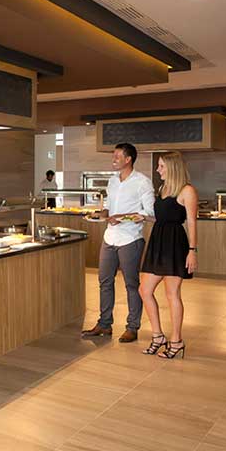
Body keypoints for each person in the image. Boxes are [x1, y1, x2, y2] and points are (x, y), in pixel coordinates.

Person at [81, 143, 155, 343]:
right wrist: (102, 214)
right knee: (104, 282)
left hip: (130, 239)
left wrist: (121, 217)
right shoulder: (112, 181)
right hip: (110, 237)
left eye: (117, 156)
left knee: (131, 284)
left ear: (128, 159)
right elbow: (110, 209)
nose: (113, 159)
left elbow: (149, 213)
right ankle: (105, 324)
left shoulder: (142, 182)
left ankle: (132, 327)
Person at [136, 152, 198, 360]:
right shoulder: (163, 188)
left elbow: (192, 223)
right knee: (144, 290)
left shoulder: (187, 190)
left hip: (174, 244)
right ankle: (158, 336)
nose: (158, 170)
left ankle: (176, 341)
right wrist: (144, 217)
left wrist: (192, 251)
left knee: (172, 294)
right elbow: (162, 218)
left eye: (161, 166)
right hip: (158, 242)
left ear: (172, 167)